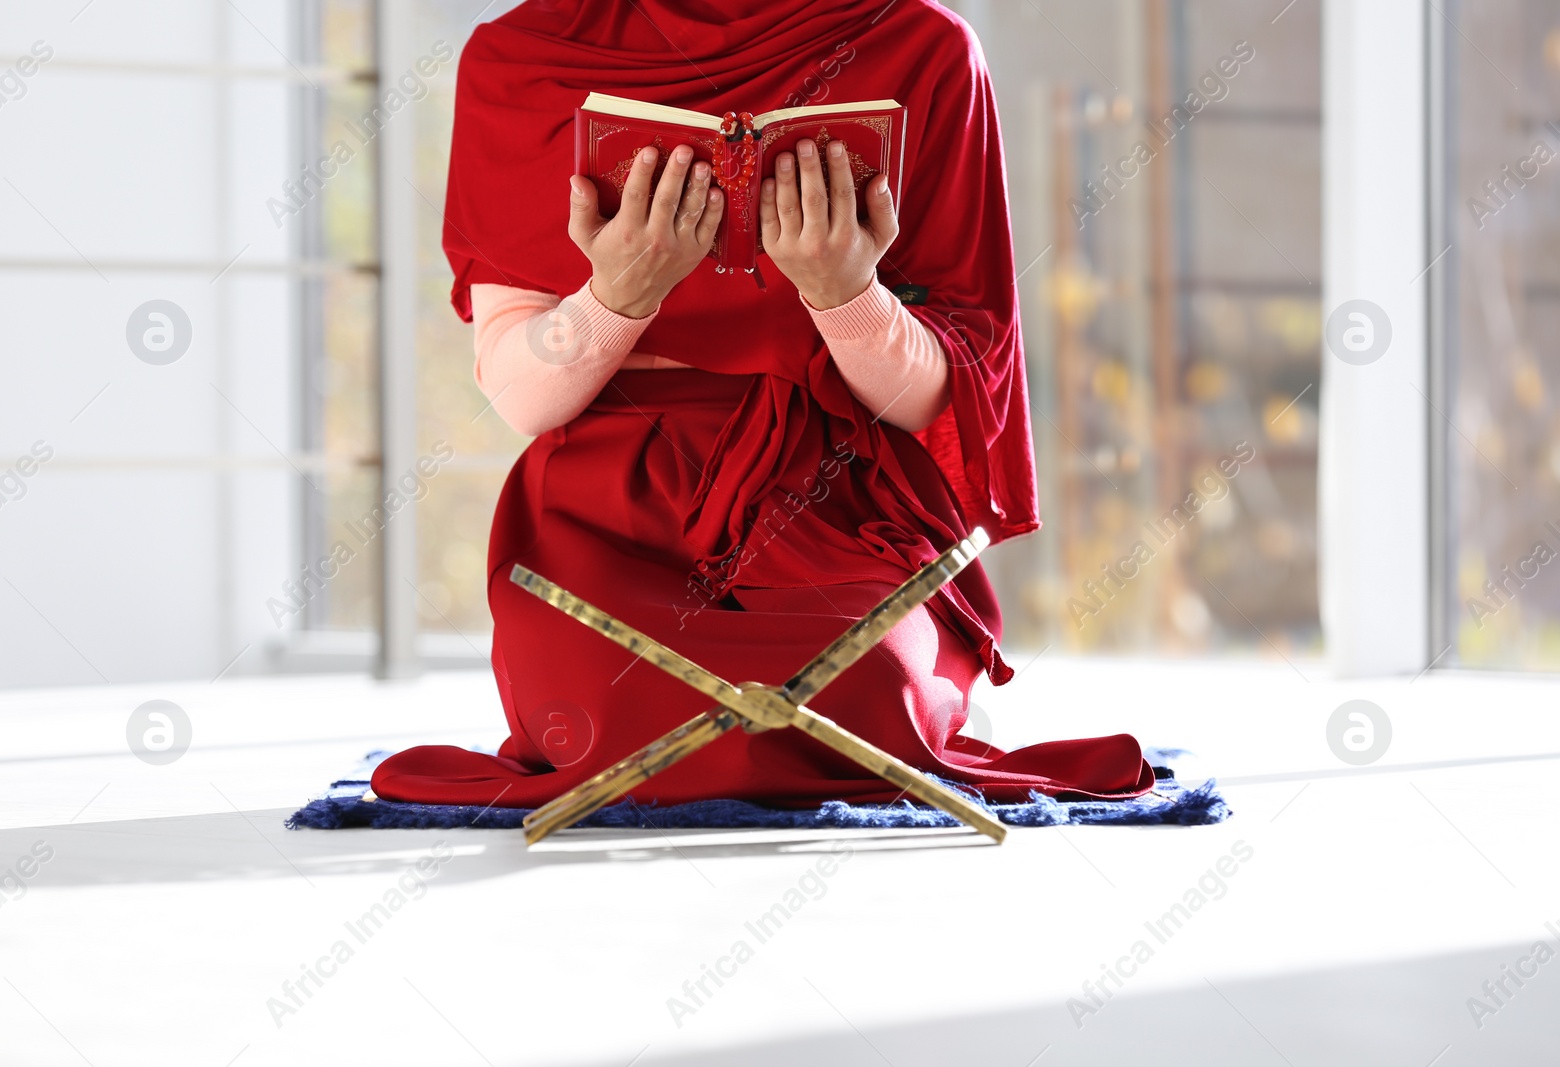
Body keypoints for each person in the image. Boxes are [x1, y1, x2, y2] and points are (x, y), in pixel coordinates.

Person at [371, 0, 1154, 809]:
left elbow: (935, 402)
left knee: (866, 691)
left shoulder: (925, 47)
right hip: (608, 510)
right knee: (609, 704)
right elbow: (518, 396)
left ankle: (924, 697)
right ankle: (923, 712)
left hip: (844, 497)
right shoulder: (521, 57)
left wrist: (846, 294)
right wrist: (616, 297)